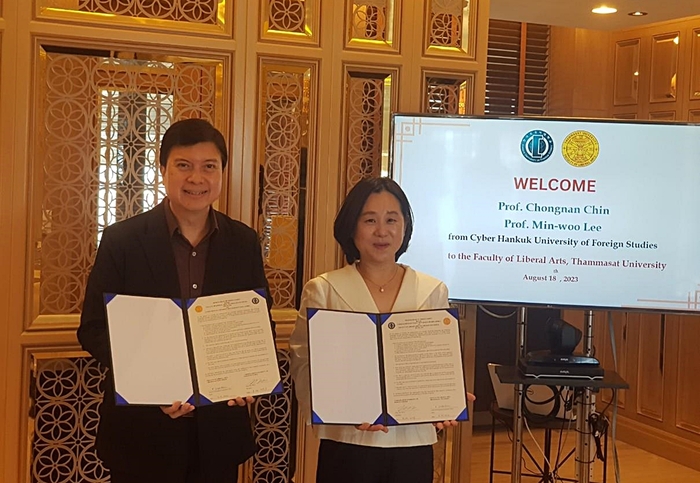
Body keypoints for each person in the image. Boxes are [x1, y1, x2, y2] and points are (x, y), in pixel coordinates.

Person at [78, 118, 272, 483]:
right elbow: (93, 330)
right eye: (184, 165)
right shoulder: (122, 241)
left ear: (222, 173)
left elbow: (258, 325)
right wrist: (153, 382)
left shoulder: (243, 243)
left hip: (217, 432)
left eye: (208, 167)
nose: (196, 179)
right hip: (141, 431)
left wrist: (248, 376)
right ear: (163, 169)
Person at [289, 177, 475, 483]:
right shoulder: (324, 289)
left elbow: (437, 364)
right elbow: (303, 364)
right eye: (370, 220)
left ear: (405, 227)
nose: (382, 231)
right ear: (352, 227)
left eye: (392, 220)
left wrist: (446, 394)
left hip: (412, 442)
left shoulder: (431, 291)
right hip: (348, 440)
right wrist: (342, 408)